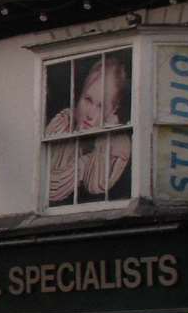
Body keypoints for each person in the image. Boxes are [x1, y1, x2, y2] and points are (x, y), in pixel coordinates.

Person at [45, 54, 133, 205]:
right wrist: (83, 164)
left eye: (101, 106)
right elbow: (49, 186)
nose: (90, 114)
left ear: (113, 110)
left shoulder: (117, 145)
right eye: (88, 99)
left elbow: (95, 185)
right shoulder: (64, 122)